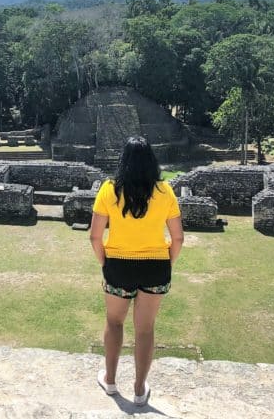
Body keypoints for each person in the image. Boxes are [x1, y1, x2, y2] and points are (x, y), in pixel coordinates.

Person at [89, 136, 184, 406]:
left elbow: (95, 237)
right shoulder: (165, 191)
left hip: (118, 264)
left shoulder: (109, 190)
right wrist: (167, 262)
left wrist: (104, 263)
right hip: (155, 266)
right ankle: (140, 389)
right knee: (145, 329)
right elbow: (177, 238)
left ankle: (110, 380)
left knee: (114, 322)